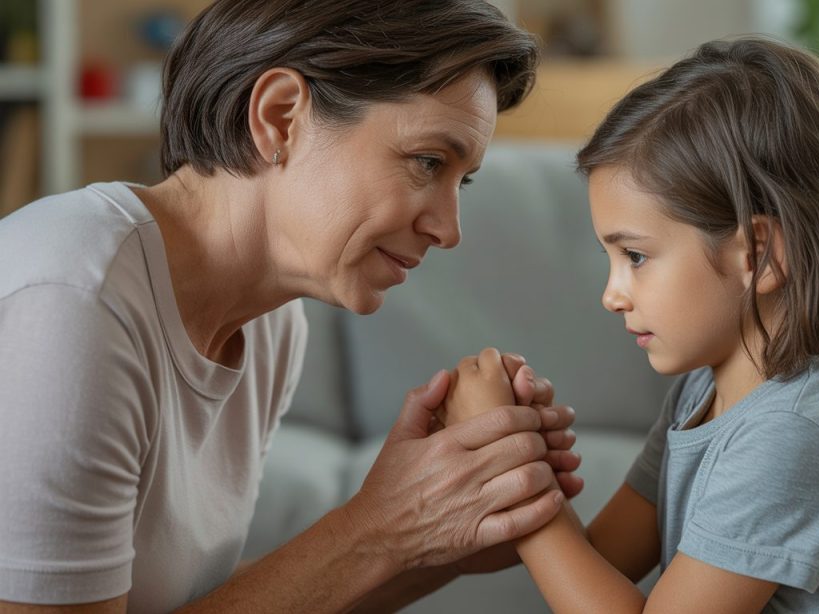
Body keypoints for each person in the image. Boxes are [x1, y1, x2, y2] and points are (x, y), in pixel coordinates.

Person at [0, 1, 585, 612]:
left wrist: (437, 543)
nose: (449, 229)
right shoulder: (73, 304)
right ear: (280, 118)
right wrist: (382, 527)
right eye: (428, 162)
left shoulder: (271, 325)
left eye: (460, 181)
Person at [440, 37, 819, 612]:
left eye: (636, 257)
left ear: (761, 255)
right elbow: (599, 568)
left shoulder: (799, 432)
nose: (611, 296)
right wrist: (517, 444)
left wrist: (512, 466)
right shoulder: (703, 391)